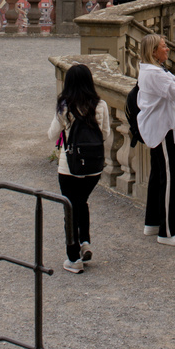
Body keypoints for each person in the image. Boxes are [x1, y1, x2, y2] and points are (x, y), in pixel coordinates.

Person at [135, 32, 175, 246]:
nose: (167, 49)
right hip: (162, 129)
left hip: (156, 128)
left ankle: (152, 222)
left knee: (157, 176)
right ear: (154, 52)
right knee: (168, 178)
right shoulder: (155, 73)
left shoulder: (149, 70)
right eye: (163, 46)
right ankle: (168, 231)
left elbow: (171, 82)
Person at [47, 63, 111, 273]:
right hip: (93, 167)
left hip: (70, 166)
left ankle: (73, 257)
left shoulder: (65, 106)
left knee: (70, 208)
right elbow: (105, 134)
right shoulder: (100, 105)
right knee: (82, 202)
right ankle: (85, 241)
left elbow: (52, 135)